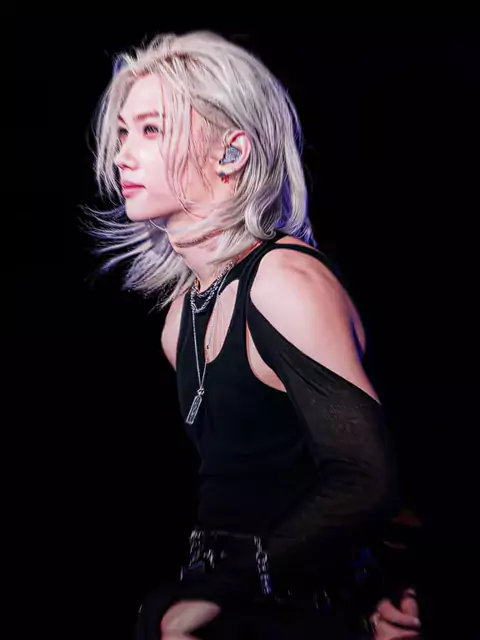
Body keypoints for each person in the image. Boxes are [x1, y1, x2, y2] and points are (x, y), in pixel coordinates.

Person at [90, 31, 399, 639]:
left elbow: (367, 480)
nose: (123, 155)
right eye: (123, 132)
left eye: (151, 130)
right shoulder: (181, 318)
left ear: (231, 153)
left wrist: (220, 596)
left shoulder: (284, 283)